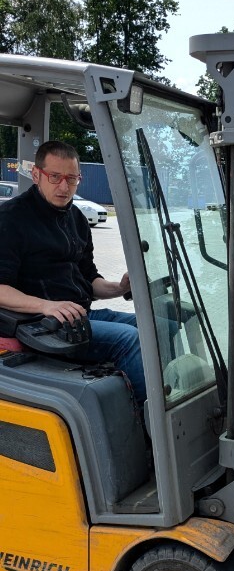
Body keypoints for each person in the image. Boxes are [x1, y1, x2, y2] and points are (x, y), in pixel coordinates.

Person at [0, 140, 147, 410]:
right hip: (40, 326)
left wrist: (119, 287)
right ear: (36, 175)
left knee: (156, 326)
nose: (64, 187)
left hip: (78, 316)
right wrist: (47, 306)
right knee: (129, 339)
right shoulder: (11, 218)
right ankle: (150, 425)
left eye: (71, 178)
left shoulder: (76, 218)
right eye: (55, 177)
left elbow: (89, 278)